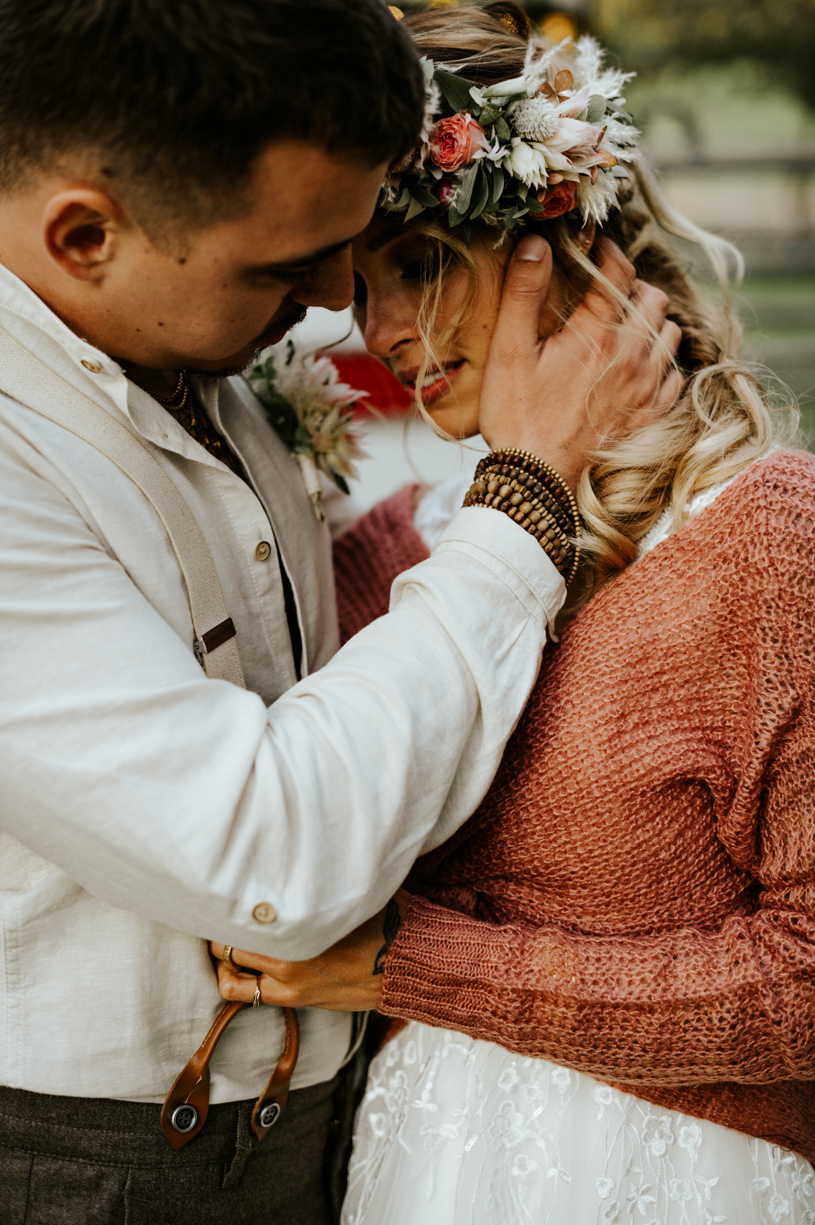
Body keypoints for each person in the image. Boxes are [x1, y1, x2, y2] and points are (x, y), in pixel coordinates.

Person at [0, 1, 678, 1221]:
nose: (332, 309)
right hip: (97, 1172)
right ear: (84, 233)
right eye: (287, 265)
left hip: (355, 1135)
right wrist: (520, 499)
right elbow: (270, 850)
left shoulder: (193, 345)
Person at [211, 7, 815, 1223]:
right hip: (414, 1163)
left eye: (420, 264)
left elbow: (802, 983)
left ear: (553, 230)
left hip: (664, 1181)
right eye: (362, 287)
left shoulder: (766, 539)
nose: (382, 334)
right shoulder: (396, 557)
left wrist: (413, 967)